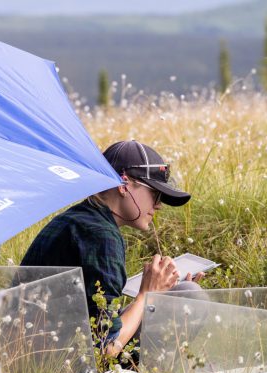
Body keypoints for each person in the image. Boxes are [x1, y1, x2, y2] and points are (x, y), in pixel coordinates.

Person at [21, 140, 203, 359]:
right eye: (155, 193)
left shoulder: (80, 219)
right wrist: (147, 295)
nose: (158, 205)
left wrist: (159, 295)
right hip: (57, 364)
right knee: (190, 297)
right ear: (123, 184)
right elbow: (105, 348)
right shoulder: (101, 236)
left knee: (182, 295)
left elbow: (93, 322)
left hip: (44, 348)